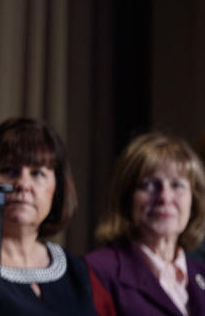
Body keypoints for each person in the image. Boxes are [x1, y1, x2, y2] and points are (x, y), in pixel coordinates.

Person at [0, 117, 97, 316]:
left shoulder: (74, 270)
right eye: (9, 170)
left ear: (57, 188)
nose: (23, 184)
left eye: (37, 173)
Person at [85, 132, 205, 315]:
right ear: (127, 198)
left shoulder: (200, 275)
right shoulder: (97, 271)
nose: (165, 197)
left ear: (194, 200)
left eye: (177, 185)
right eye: (149, 185)